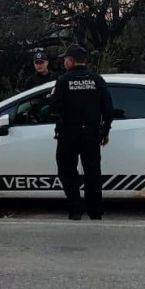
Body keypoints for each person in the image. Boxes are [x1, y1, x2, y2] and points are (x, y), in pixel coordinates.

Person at [49, 44, 114, 220]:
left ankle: (75, 209)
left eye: (65, 59)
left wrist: (52, 97)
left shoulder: (63, 80)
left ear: (71, 61)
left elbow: (54, 107)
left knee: (66, 169)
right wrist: (105, 130)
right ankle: (95, 211)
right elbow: (108, 109)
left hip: (69, 132)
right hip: (91, 131)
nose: (64, 62)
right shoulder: (97, 80)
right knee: (92, 170)